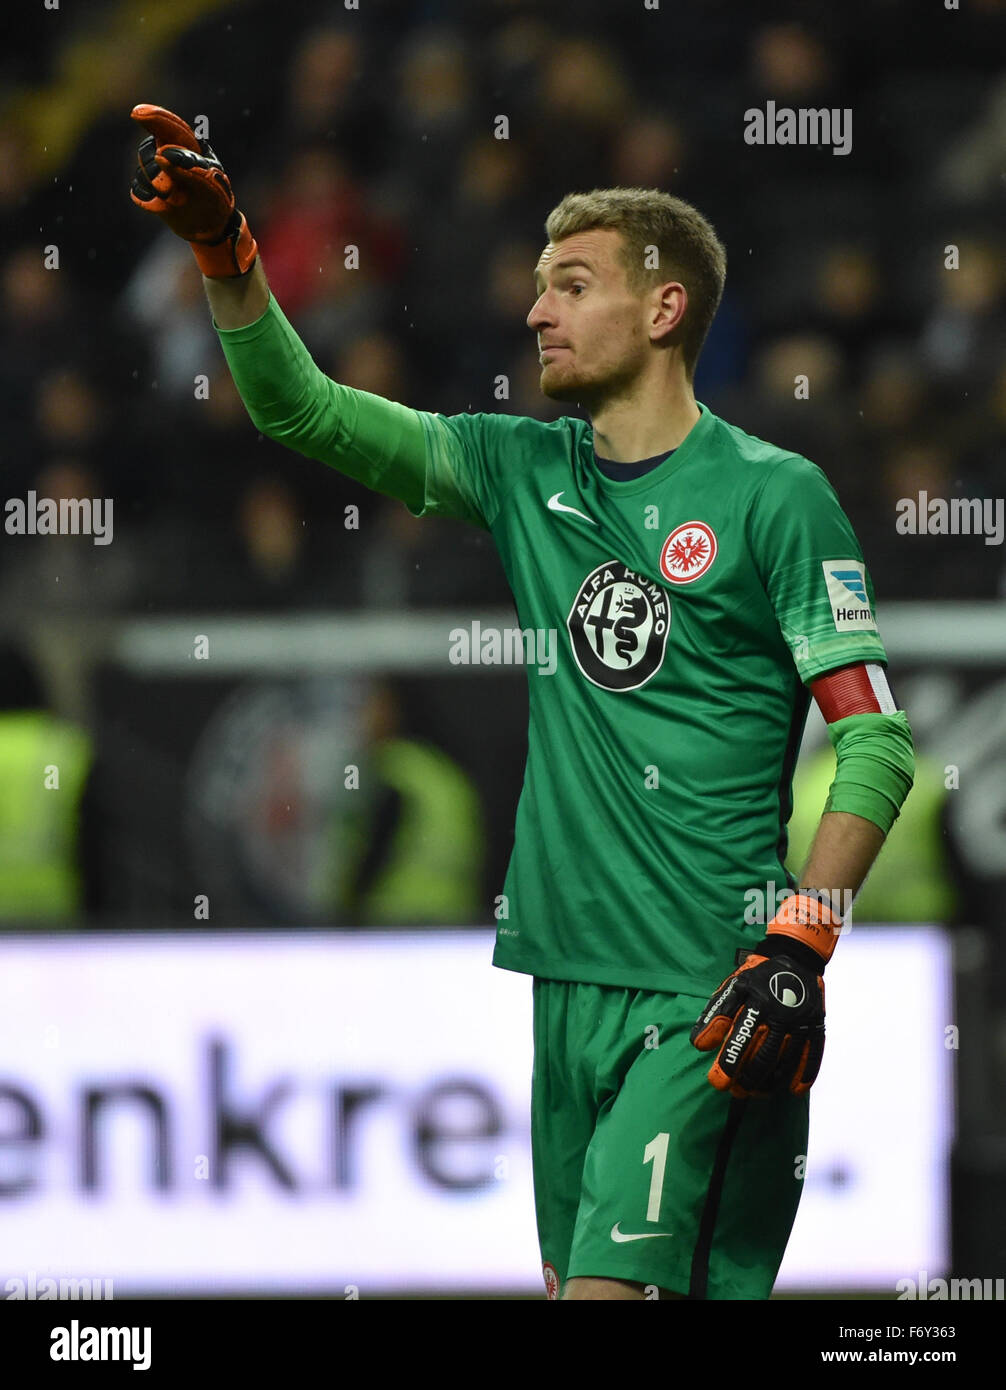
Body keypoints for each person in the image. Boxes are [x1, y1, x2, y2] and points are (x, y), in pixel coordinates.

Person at [127, 105, 915, 1300]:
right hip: (562, 979)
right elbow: (302, 409)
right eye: (539, 284)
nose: (536, 309)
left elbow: (873, 735)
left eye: (572, 284)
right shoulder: (519, 469)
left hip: (705, 989)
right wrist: (228, 255)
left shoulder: (773, 497)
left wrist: (799, 939)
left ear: (664, 312)